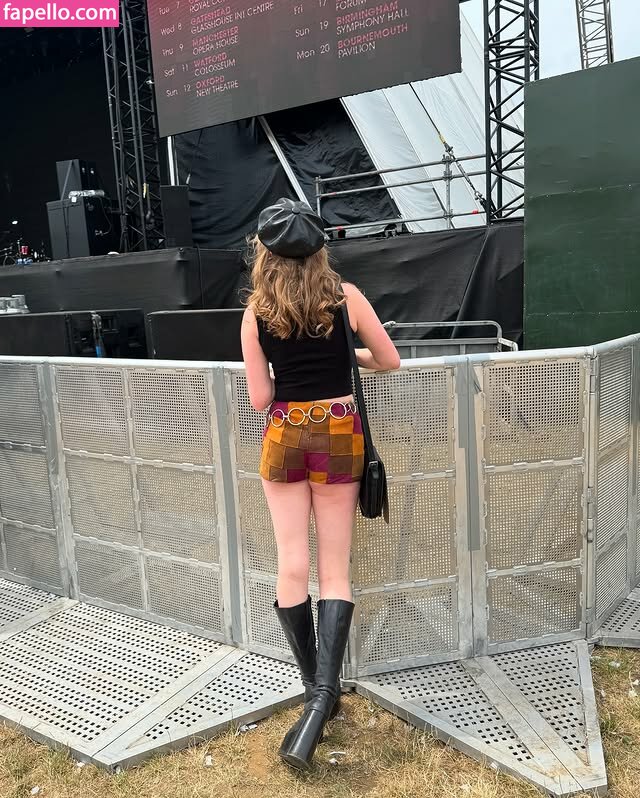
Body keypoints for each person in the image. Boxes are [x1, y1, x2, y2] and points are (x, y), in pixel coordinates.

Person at [241, 198, 400, 770]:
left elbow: (260, 398)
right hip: (338, 432)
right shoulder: (346, 297)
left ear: (265, 254)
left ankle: (316, 694)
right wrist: (347, 356)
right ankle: (322, 696)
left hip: (285, 434)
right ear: (319, 249)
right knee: (335, 569)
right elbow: (389, 360)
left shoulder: (255, 312)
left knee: (292, 564)